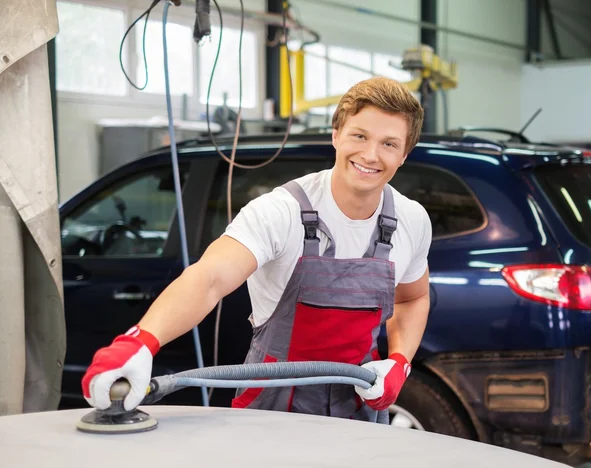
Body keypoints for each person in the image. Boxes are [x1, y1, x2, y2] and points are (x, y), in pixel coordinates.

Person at [81, 76, 433, 422]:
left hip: (358, 405)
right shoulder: (281, 211)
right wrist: (141, 341)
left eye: (389, 144)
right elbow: (210, 278)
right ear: (336, 135)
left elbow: (412, 298)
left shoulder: (411, 220)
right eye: (360, 136)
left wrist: (400, 361)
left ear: (404, 154)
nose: (370, 154)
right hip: (272, 407)